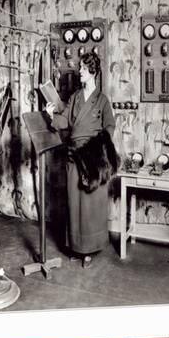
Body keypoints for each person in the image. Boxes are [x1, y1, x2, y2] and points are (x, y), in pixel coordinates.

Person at [45, 52, 116, 268]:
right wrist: (50, 116)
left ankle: (90, 249)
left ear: (93, 72)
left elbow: (110, 127)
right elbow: (64, 120)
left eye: (84, 69)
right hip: (73, 158)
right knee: (74, 204)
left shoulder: (102, 100)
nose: (80, 72)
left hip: (92, 160)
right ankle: (76, 246)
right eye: (80, 69)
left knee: (90, 206)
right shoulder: (75, 97)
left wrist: (96, 149)